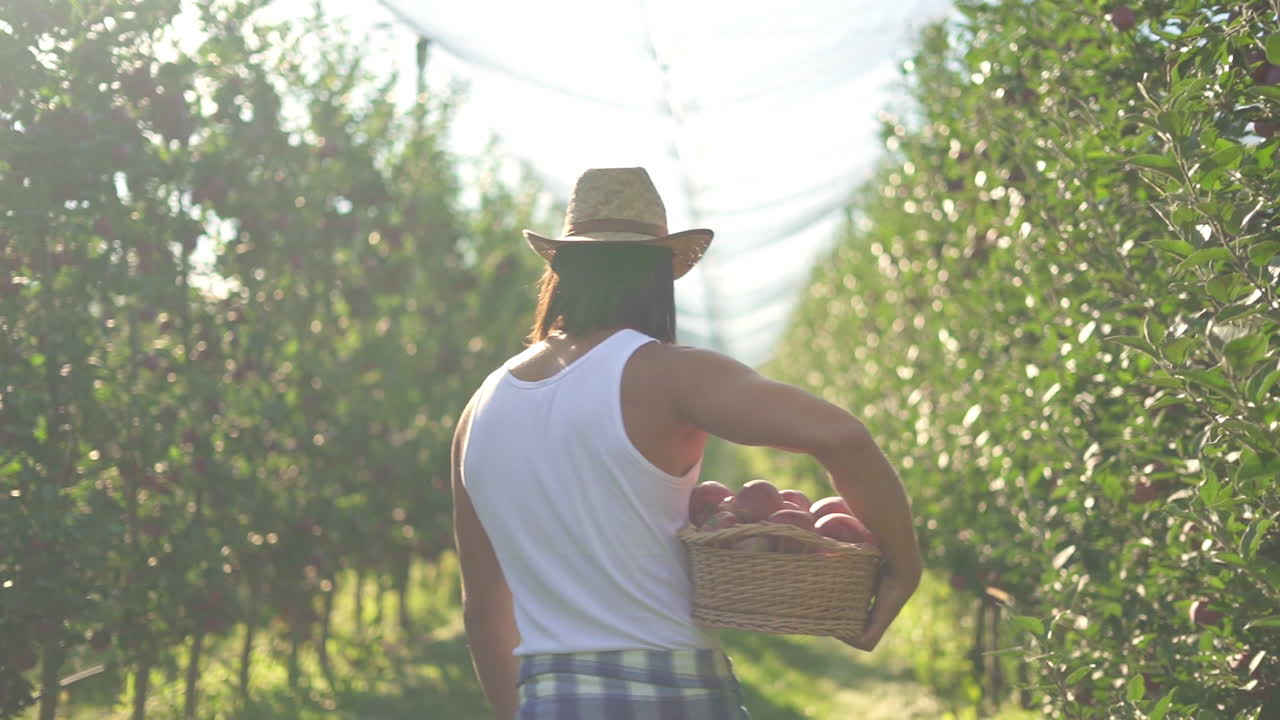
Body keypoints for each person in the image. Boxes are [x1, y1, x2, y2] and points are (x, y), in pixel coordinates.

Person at [451, 167, 922, 719]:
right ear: (660, 274)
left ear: (561, 270)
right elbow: (843, 436)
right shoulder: (670, 375)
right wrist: (903, 569)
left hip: (550, 695)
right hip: (674, 692)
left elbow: (484, 609)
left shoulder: (480, 409)